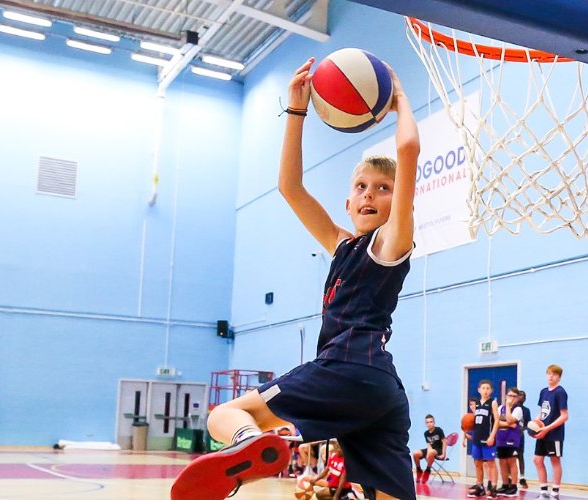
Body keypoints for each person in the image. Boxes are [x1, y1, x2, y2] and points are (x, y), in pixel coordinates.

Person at [172, 58, 421, 500]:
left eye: (385, 189)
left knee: (223, 415)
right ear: (347, 203)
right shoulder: (343, 244)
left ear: (398, 201)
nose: (371, 194)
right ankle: (256, 446)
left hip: (346, 368)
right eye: (362, 186)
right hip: (381, 392)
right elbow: (290, 187)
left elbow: (407, 153)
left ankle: (251, 446)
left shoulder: (391, 243)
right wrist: (297, 110)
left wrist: (401, 100)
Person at [533, 365, 569, 498]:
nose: (550, 376)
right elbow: (542, 412)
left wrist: (547, 428)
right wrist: (535, 423)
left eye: (554, 374)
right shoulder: (543, 391)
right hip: (542, 432)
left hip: (554, 433)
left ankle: (555, 493)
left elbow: (564, 415)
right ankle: (543, 491)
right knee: (537, 460)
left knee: (555, 461)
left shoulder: (560, 392)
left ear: (559, 377)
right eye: (548, 373)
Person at [469, 380, 500, 497]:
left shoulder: (493, 403)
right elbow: (475, 421)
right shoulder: (476, 404)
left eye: (488, 388)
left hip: (488, 438)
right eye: (483, 388)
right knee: (477, 462)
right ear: (479, 390)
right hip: (477, 437)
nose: (485, 390)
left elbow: (496, 421)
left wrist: (492, 436)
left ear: (491, 390)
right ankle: (480, 486)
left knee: (491, 463)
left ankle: (493, 487)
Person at [495, 387, 525, 496]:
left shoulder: (518, 409)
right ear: (506, 396)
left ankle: (513, 486)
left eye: (514, 396)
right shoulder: (499, 408)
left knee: (511, 461)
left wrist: (508, 407)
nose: (511, 398)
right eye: (509, 395)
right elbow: (497, 422)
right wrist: (508, 424)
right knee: (502, 461)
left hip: (512, 439)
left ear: (517, 398)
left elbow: (510, 419)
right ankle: (504, 484)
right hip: (500, 438)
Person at [412, 415, 445, 483]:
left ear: (434, 422)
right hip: (430, 450)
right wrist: (428, 453)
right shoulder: (426, 433)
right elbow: (429, 444)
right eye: (427, 422)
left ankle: (427, 470)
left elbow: (444, 442)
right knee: (415, 453)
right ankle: (419, 470)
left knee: (431, 452)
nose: (429, 424)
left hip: (438, 450)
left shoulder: (438, 430)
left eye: (431, 422)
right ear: (425, 424)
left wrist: (444, 454)